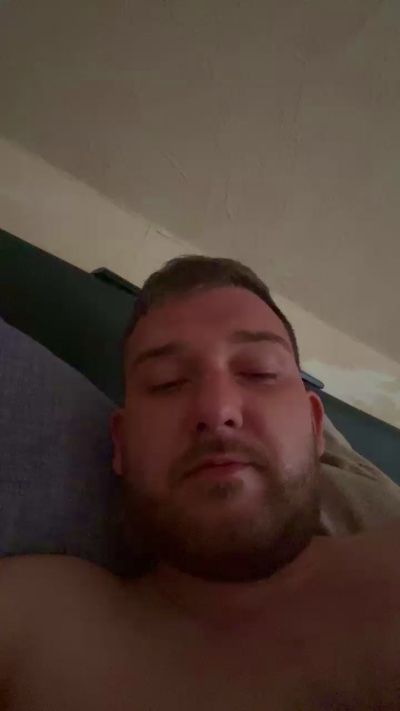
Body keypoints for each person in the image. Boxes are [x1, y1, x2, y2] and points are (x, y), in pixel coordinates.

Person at [0, 256, 399, 711]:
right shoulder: (34, 624)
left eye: (259, 372)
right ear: (121, 445)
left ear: (314, 427)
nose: (217, 408)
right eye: (167, 383)